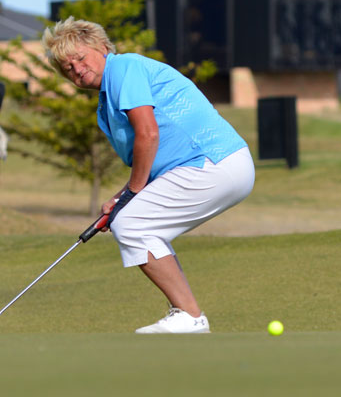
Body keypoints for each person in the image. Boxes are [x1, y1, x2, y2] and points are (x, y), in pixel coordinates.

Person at [43, 17, 255, 334]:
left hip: (214, 161)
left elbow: (148, 134)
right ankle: (188, 315)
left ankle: (190, 316)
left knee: (131, 223)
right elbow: (154, 158)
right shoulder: (108, 98)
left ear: (101, 47)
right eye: (68, 68)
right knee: (134, 221)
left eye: (80, 58)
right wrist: (121, 196)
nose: (77, 70)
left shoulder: (123, 69)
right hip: (211, 166)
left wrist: (131, 194)